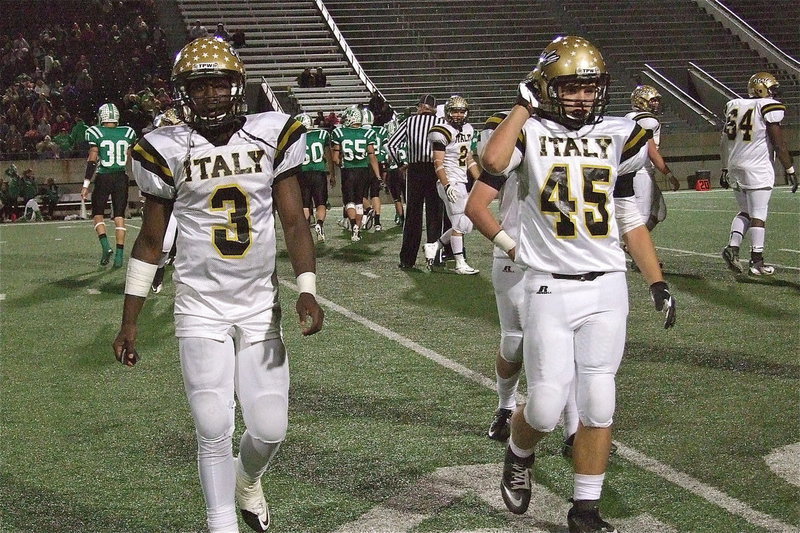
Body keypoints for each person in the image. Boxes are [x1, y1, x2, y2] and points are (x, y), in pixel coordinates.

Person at [112, 36, 324, 533]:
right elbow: (149, 239)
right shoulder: (166, 147)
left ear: (237, 86)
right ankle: (220, 522)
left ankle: (247, 481)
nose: (209, 94)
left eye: (218, 84)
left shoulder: (270, 134)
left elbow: (294, 222)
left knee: (270, 429)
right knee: (213, 427)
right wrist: (129, 320)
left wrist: (308, 287)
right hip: (200, 305)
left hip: (259, 305)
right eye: (198, 85)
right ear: (184, 92)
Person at [479, 36, 677, 533]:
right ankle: (519, 452)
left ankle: (585, 508)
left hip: (607, 283)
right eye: (570, 87)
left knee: (599, 400)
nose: (583, 98)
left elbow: (629, 216)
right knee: (545, 406)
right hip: (548, 284)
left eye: (590, 87)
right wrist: (523, 106)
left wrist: (657, 281)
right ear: (546, 88)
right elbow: (493, 165)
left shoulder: (620, 132)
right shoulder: (530, 130)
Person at [466, 117, 580, 447]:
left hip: (560, 254)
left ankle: (573, 431)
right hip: (517, 251)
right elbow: (481, 194)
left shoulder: (581, 137)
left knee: (566, 342)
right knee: (515, 342)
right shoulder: (511, 134)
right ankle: (505, 407)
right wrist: (511, 248)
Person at [720, 71, 795, 276]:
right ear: (761, 88)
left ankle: (732, 248)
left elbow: (724, 140)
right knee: (758, 215)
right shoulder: (767, 107)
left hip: (735, 165)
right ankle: (757, 261)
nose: (774, 93)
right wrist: (790, 168)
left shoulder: (734, 105)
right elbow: (779, 144)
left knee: (745, 211)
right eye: (771, 89)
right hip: (757, 167)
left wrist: (725, 167)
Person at [624, 85, 680, 270]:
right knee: (642, 216)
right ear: (641, 101)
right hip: (640, 171)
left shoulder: (628, 118)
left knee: (659, 212)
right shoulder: (648, 121)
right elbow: (652, 151)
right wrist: (668, 173)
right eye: (652, 100)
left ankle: (632, 246)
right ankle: (638, 253)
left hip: (632, 170)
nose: (656, 103)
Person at [386, 94, 445, 269]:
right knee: (436, 214)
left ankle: (407, 259)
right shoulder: (442, 122)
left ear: (420, 106)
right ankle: (435, 258)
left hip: (416, 170)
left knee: (413, 215)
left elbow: (391, 145)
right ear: (434, 108)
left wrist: (402, 164)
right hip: (436, 169)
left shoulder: (410, 121)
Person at [425, 96, 482, 274]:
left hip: (462, 180)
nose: (458, 115)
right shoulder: (441, 131)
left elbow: (469, 158)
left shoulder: (468, 129)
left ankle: (434, 246)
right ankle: (459, 263)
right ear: (448, 113)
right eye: (455, 111)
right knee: (459, 224)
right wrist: (447, 184)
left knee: (466, 223)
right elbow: (438, 163)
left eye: (461, 111)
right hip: (450, 181)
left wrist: (479, 179)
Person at [81, 102, 137, 267]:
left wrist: (85, 184)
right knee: (119, 216)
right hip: (121, 176)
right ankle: (119, 255)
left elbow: (92, 161)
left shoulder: (96, 132)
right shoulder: (127, 132)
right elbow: (129, 156)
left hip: (104, 176)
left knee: (98, 214)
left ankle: (106, 247)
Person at [330, 106, 381, 241]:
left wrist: (340, 164)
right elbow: (372, 156)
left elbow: (335, 158)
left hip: (348, 170)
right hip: (363, 170)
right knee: (359, 202)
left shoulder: (339, 133)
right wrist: (378, 175)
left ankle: (353, 226)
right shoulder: (368, 134)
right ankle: (357, 230)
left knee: (349, 202)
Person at [296, 113, 334, 243]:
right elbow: (328, 155)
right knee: (321, 203)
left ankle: (306, 230)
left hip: (303, 173)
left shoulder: (296, 137)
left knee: (305, 205)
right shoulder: (322, 135)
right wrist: (332, 173)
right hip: (319, 172)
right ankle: (319, 223)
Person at [383, 119, 406, 226]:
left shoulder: (387, 145)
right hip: (407, 170)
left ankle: (401, 218)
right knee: (409, 198)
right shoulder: (406, 142)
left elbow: (386, 162)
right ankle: (410, 218)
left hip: (394, 172)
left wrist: (384, 181)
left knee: (397, 198)